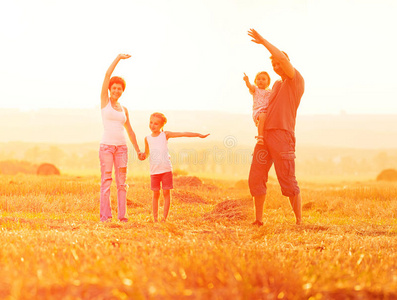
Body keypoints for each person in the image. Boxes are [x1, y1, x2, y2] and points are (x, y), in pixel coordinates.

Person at [247, 29, 305, 226]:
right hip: (264, 138)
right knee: (256, 177)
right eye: (273, 64)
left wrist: (263, 41)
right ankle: (258, 220)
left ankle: (299, 221)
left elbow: (280, 56)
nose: (276, 66)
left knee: (287, 180)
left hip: (282, 136)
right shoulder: (276, 85)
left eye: (279, 62)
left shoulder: (295, 79)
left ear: (287, 62)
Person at [99, 54, 144, 222]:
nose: (117, 90)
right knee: (106, 181)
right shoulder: (105, 102)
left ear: (122, 91)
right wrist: (118, 58)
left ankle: (123, 217)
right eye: (114, 88)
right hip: (107, 148)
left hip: (122, 149)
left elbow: (130, 131)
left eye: (120, 88)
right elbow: (107, 76)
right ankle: (105, 217)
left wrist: (138, 150)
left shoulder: (124, 109)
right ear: (110, 89)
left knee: (122, 184)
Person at [142, 112, 209, 222]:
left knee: (166, 193)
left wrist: (198, 135)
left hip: (166, 170)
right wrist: (142, 155)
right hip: (154, 171)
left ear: (162, 125)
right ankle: (155, 219)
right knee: (155, 194)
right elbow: (147, 153)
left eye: (156, 124)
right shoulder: (147, 138)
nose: (153, 125)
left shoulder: (165, 135)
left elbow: (183, 133)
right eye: (151, 122)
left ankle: (164, 218)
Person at [243, 71, 271, 145]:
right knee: (262, 116)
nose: (260, 80)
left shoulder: (270, 92)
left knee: (267, 117)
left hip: (267, 111)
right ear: (255, 81)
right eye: (258, 79)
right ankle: (260, 137)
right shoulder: (255, 90)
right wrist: (247, 81)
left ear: (268, 82)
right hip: (258, 111)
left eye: (263, 79)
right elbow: (249, 86)